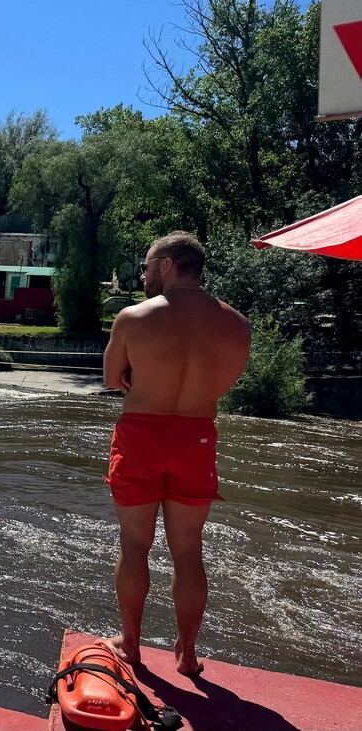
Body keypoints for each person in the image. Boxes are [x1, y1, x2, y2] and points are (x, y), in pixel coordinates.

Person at [101, 231, 250, 676]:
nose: (144, 274)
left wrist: (144, 379)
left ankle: (131, 645)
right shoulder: (237, 324)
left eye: (148, 266)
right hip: (197, 438)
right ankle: (186, 654)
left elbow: (112, 378)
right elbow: (225, 381)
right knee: (188, 551)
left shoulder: (133, 317)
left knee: (134, 545)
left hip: (142, 434)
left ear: (168, 264)